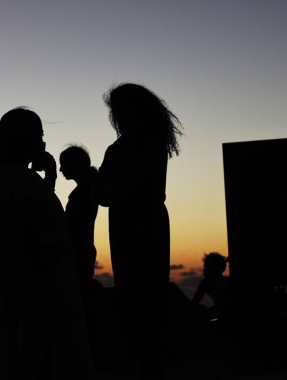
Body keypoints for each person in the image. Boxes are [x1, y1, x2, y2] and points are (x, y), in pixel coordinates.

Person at [0, 108, 94, 378]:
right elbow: (40, 231)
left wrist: (49, 177)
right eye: (39, 135)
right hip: (38, 289)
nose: (43, 142)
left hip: (15, 283)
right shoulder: (22, 180)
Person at [94, 83, 182, 379]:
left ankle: (151, 361)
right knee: (132, 293)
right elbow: (101, 193)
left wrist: (117, 187)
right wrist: (120, 187)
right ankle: (146, 359)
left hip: (145, 223)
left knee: (149, 292)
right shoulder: (119, 148)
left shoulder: (151, 144)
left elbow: (143, 186)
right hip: (126, 223)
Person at [58, 145, 99, 350]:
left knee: (80, 301)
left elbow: (71, 225)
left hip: (78, 251)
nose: (60, 170)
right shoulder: (89, 187)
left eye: (63, 165)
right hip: (82, 250)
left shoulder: (83, 192)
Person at [190, 252, 229, 322]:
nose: (203, 270)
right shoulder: (227, 280)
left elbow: (193, 303)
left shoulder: (206, 282)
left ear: (211, 267)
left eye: (205, 266)